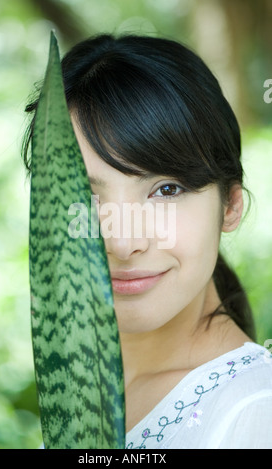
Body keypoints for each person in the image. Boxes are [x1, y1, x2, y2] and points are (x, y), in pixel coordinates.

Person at [23, 34, 272, 449]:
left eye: (166, 190)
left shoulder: (256, 413)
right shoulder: (79, 383)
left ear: (230, 205)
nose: (122, 243)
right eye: (84, 194)